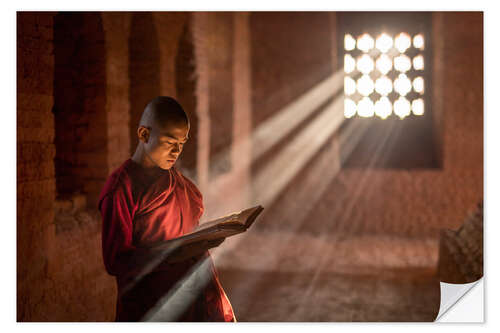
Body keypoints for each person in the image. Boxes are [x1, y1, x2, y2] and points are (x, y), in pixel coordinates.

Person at [98, 96, 235, 322]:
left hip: (192, 296)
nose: (176, 152)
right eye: (170, 142)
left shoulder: (180, 184)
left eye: (182, 144)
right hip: (151, 303)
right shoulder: (122, 189)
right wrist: (171, 254)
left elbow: (189, 230)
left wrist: (205, 239)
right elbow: (116, 261)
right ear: (144, 135)